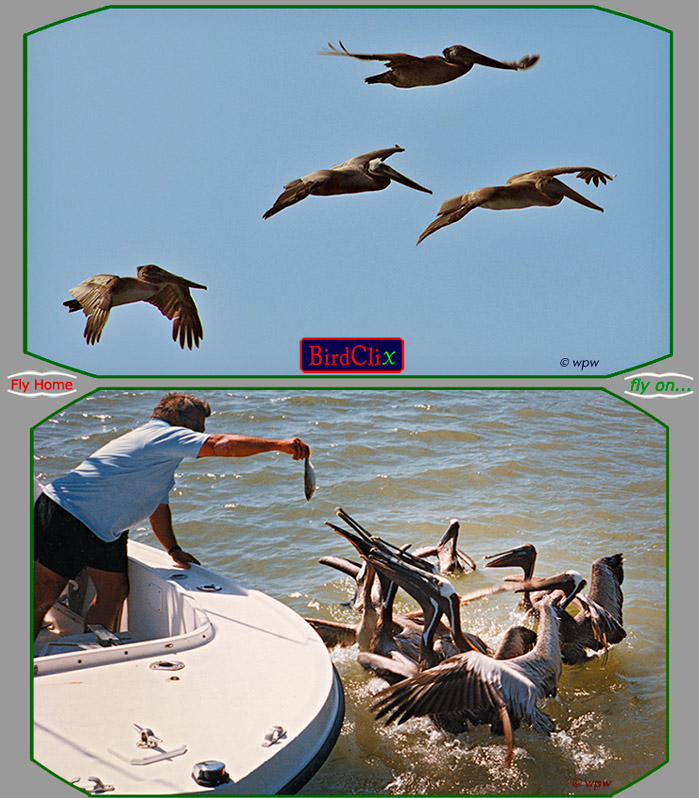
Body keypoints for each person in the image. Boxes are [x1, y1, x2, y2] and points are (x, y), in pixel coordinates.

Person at [34, 393, 310, 639]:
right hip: (67, 512)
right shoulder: (159, 434)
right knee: (45, 593)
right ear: (175, 415)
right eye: (197, 425)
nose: (200, 431)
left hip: (105, 529)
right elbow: (218, 444)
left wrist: (173, 549)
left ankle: (91, 644)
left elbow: (158, 507)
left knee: (114, 591)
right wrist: (277, 445)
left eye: (203, 428)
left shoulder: (163, 457)